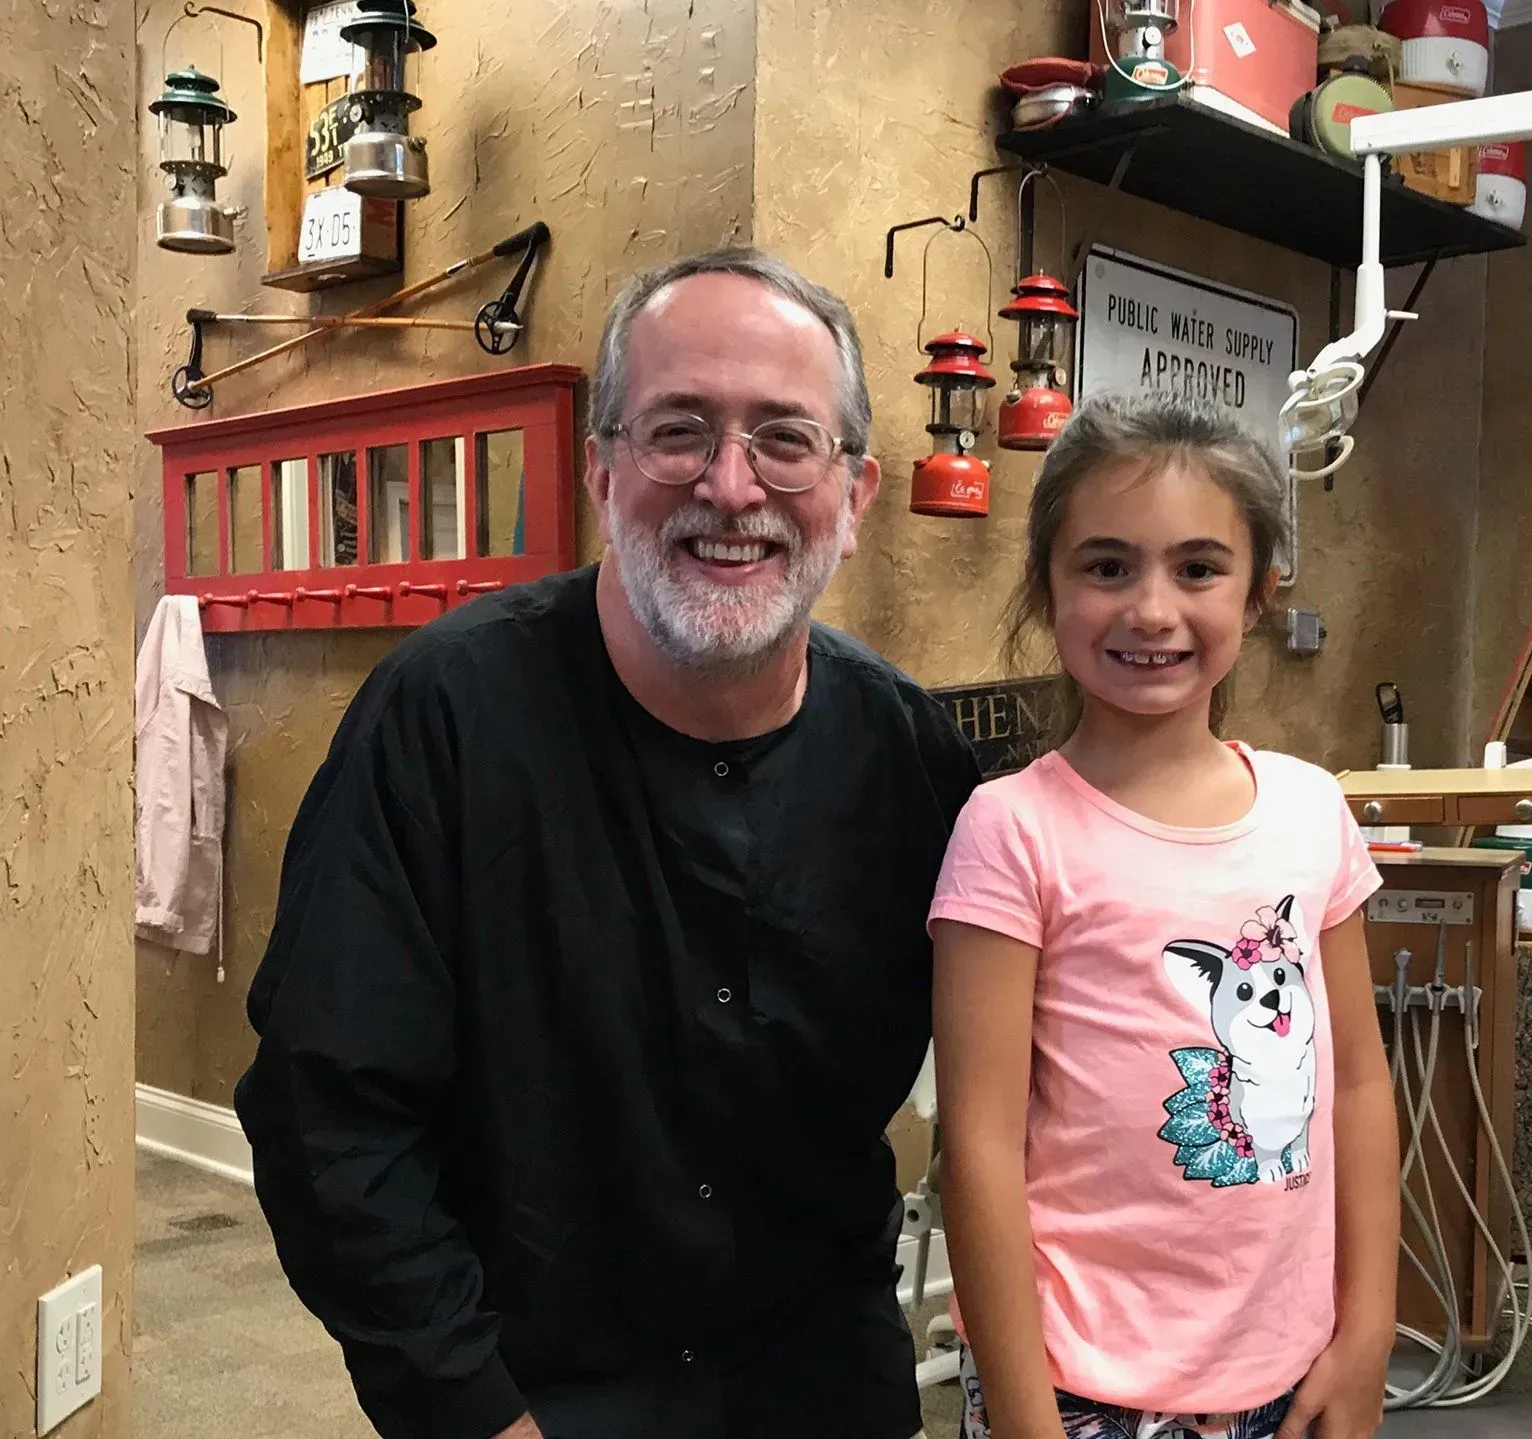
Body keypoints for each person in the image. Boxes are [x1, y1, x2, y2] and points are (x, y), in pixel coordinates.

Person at [234, 249, 980, 1439]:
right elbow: (328, 1113)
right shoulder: (444, 717)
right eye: (678, 429)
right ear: (600, 470)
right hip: (532, 1387)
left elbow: (1039, 1077)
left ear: (855, 494)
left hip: (822, 1377)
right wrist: (472, 1407)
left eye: (785, 439)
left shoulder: (915, 761)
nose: (730, 486)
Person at [927, 391, 1400, 1439]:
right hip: (1077, 1384)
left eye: (1197, 567)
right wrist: (1021, 1414)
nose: (1151, 608)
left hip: (1289, 1370)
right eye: (1106, 565)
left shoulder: (1311, 810)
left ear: (1260, 592)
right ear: (1048, 588)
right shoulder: (1011, 831)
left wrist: (1368, 1328)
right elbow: (979, 1146)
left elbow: (1361, 1082)